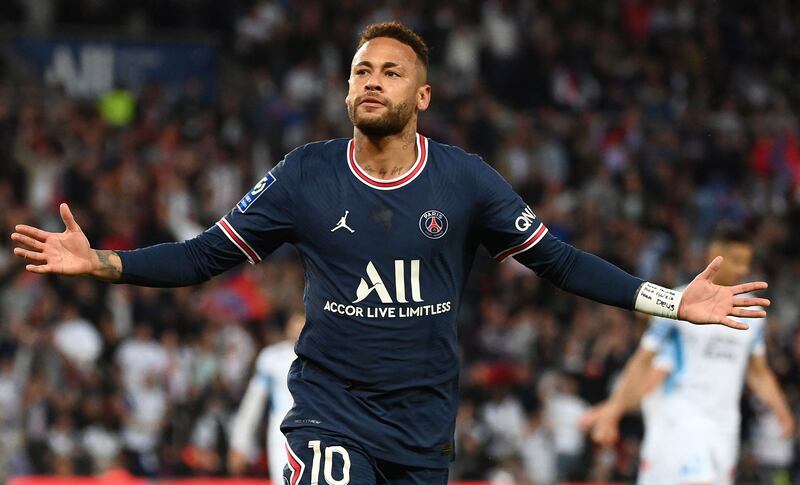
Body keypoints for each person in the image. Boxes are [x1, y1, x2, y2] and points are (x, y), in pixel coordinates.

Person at [11, 21, 770, 485]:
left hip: (424, 425)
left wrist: (673, 301)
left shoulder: (467, 181)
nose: (371, 80)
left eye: (389, 71)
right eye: (360, 71)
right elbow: (205, 254)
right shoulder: (304, 173)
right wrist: (104, 261)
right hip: (332, 413)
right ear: (346, 92)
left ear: (423, 97)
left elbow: (562, 263)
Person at [581, 225, 794, 485]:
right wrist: (612, 412)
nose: (742, 270)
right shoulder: (678, 303)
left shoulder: (752, 314)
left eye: (746, 263)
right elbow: (646, 364)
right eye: (736, 261)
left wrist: (782, 411)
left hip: (725, 428)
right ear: (715, 254)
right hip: (683, 419)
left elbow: (759, 373)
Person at [227, 312, 304, 483]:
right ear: (287, 328)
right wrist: (240, 443)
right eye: (295, 325)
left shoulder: (322, 358)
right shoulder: (272, 358)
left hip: (315, 434)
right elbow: (252, 403)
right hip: (281, 436)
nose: (298, 330)